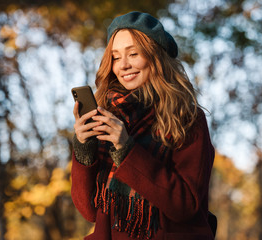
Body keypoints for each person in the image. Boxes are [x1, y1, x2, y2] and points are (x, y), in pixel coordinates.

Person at [71, 11, 215, 240]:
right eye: (116, 57)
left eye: (133, 54)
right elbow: (89, 210)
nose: (124, 65)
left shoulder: (187, 118)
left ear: (155, 57)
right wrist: (84, 148)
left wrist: (126, 149)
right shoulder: (109, 115)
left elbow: (185, 205)